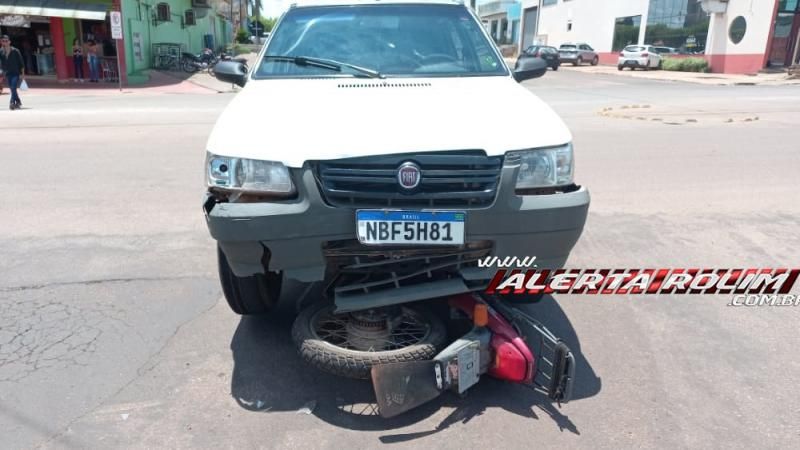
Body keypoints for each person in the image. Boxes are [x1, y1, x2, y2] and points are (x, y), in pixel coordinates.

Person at [0, 35, 24, 110]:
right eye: (3, 41)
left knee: (13, 87)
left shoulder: (15, 51)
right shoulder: (1, 51)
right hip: (7, 73)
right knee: (12, 88)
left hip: (15, 72)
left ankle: (12, 103)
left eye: (6, 41)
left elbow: (21, 63)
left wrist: (23, 74)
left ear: (9, 42)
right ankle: (18, 101)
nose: (5, 42)